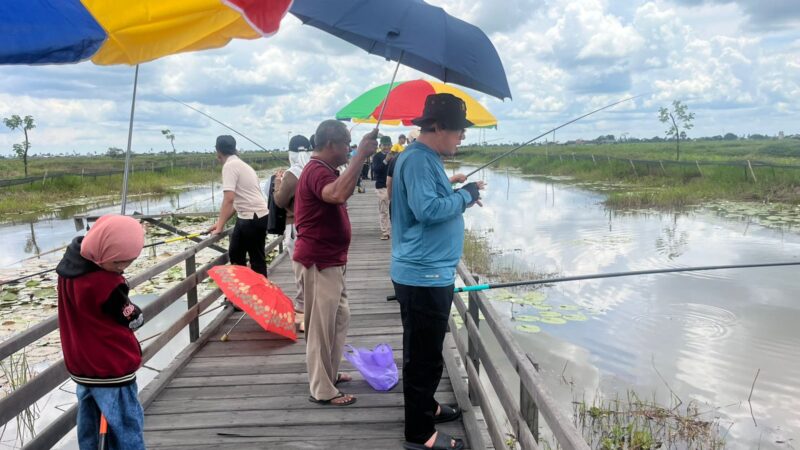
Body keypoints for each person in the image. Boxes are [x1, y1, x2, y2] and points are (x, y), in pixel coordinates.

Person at [390, 93, 485, 450]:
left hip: (430, 272)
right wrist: (465, 196)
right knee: (424, 356)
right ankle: (419, 433)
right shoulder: (417, 160)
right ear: (439, 126)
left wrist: (462, 194)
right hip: (422, 274)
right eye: (459, 130)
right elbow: (428, 209)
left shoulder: (425, 158)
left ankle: (426, 406)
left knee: (426, 350)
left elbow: (432, 204)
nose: (462, 137)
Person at [293, 120, 378, 406]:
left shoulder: (328, 170)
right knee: (319, 327)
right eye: (346, 145)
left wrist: (357, 159)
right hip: (318, 261)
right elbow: (336, 194)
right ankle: (322, 389)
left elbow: (346, 188)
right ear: (331, 144)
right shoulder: (316, 170)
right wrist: (360, 156)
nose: (348, 149)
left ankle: (328, 373)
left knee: (338, 320)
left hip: (332, 260)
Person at [56, 214, 147, 450]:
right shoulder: (106, 284)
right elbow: (131, 318)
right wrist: (136, 312)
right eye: (119, 263)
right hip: (111, 368)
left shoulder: (69, 268)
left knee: (90, 427)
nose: (121, 268)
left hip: (83, 367)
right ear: (102, 252)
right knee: (126, 426)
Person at [208, 135, 269, 277]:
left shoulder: (229, 166)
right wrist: (219, 223)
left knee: (253, 259)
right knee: (237, 254)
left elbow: (228, 199)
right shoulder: (241, 164)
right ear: (234, 148)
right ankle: (244, 294)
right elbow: (236, 203)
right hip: (253, 216)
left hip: (252, 218)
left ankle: (257, 296)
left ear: (218, 151)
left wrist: (220, 227)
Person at [273, 134, 311, 327]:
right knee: (311, 269)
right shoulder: (314, 170)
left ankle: (303, 310)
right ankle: (312, 308)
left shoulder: (293, 173)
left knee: (299, 270)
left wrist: (278, 182)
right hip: (313, 226)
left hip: (295, 227)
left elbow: (280, 200)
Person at [372, 135, 392, 239]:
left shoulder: (394, 157)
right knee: (384, 210)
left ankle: (396, 229)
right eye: (384, 145)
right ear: (380, 145)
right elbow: (375, 170)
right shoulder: (377, 156)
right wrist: (385, 161)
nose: (386, 147)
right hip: (381, 186)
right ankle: (385, 232)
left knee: (394, 209)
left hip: (393, 186)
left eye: (388, 145)